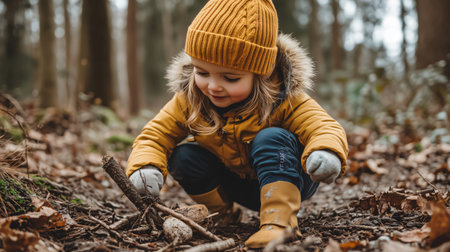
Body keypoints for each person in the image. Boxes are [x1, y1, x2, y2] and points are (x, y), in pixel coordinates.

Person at [126, 0, 348, 248]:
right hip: (235, 183)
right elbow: (155, 134)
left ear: (262, 73)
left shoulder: (284, 97)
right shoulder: (191, 100)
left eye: (230, 78)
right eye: (202, 72)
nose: (213, 86)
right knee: (184, 155)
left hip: (288, 174)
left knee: (271, 137)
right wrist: (145, 166)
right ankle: (220, 215)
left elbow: (323, 125)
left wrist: (325, 151)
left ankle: (280, 222)